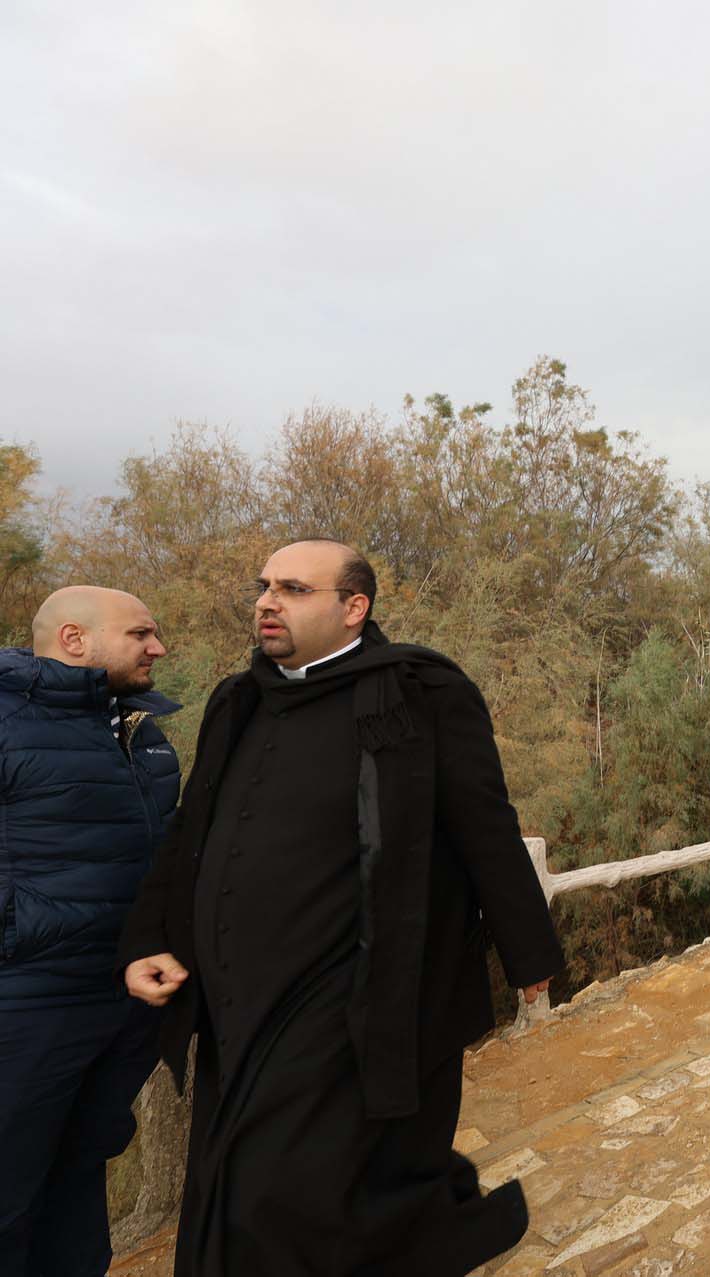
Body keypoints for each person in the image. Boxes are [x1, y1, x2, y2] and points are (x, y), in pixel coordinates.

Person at [119, 539, 564, 1277]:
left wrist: (530, 954)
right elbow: (188, 836)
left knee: (278, 1185)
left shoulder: (418, 691)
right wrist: (148, 938)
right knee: (241, 1177)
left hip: (348, 989)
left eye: (292, 588)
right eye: (264, 586)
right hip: (237, 999)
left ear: (353, 607)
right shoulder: (239, 700)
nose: (267, 601)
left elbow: (483, 820)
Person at [1, 588, 177, 1277]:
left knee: (75, 1192)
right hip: (25, 1002)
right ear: (75, 640)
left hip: (119, 1005)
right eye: (141, 633)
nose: (157, 647)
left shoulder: (140, 731)